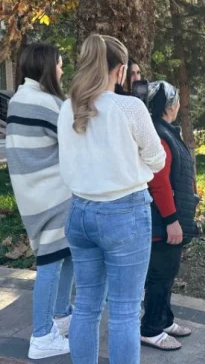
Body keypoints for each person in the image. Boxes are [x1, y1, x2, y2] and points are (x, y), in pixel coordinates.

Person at [57, 34, 166, 364]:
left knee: (87, 306)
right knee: (124, 311)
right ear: (121, 71)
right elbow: (158, 159)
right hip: (124, 213)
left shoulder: (68, 108)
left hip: (79, 212)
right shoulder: (129, 107)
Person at [6, 44, 74, 359]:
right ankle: (42, 335)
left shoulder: (21, 98)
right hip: (51, 195)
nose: (62, 71)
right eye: (60, 65)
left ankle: (61, 315)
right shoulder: (44, 103)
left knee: (66, 254)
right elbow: (77, 136)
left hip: (35, 194)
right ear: (48, 67)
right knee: (49, 262)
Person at [140, 81, 199, 351]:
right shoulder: (160, 134)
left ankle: (164, 319)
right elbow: (159, 182)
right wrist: (171, 220)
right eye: (175, 102)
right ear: (170, 106)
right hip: (162, 221)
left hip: (167, 218)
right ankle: (151, 327)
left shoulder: (164, 131)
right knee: (160, 275)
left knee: (168, 272)